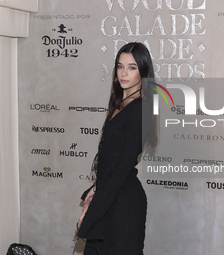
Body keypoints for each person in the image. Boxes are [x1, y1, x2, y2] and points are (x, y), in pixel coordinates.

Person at [76, 42, 154, 255]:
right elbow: (110, 160)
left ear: (143, 71)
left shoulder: (141, 109)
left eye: (132, 67)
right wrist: (95, 189)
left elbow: (122, 166)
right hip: (111, 195)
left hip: (123, 204)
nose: (124, 73)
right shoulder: (121, 103)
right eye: (120, 66)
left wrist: (92, 212)